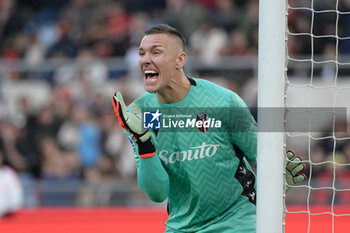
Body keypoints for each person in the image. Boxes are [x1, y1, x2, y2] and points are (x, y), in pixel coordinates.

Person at [112, 24, 306, 233]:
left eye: (156, 52)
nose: (145, 59)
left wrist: (279, 179)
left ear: (180, 60)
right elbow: (157, 193)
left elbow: (264, 159)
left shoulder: (222, 102)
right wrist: (143, 140)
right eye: (142, 53)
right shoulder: (142, 113)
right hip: (182, 227)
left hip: (238, 221)